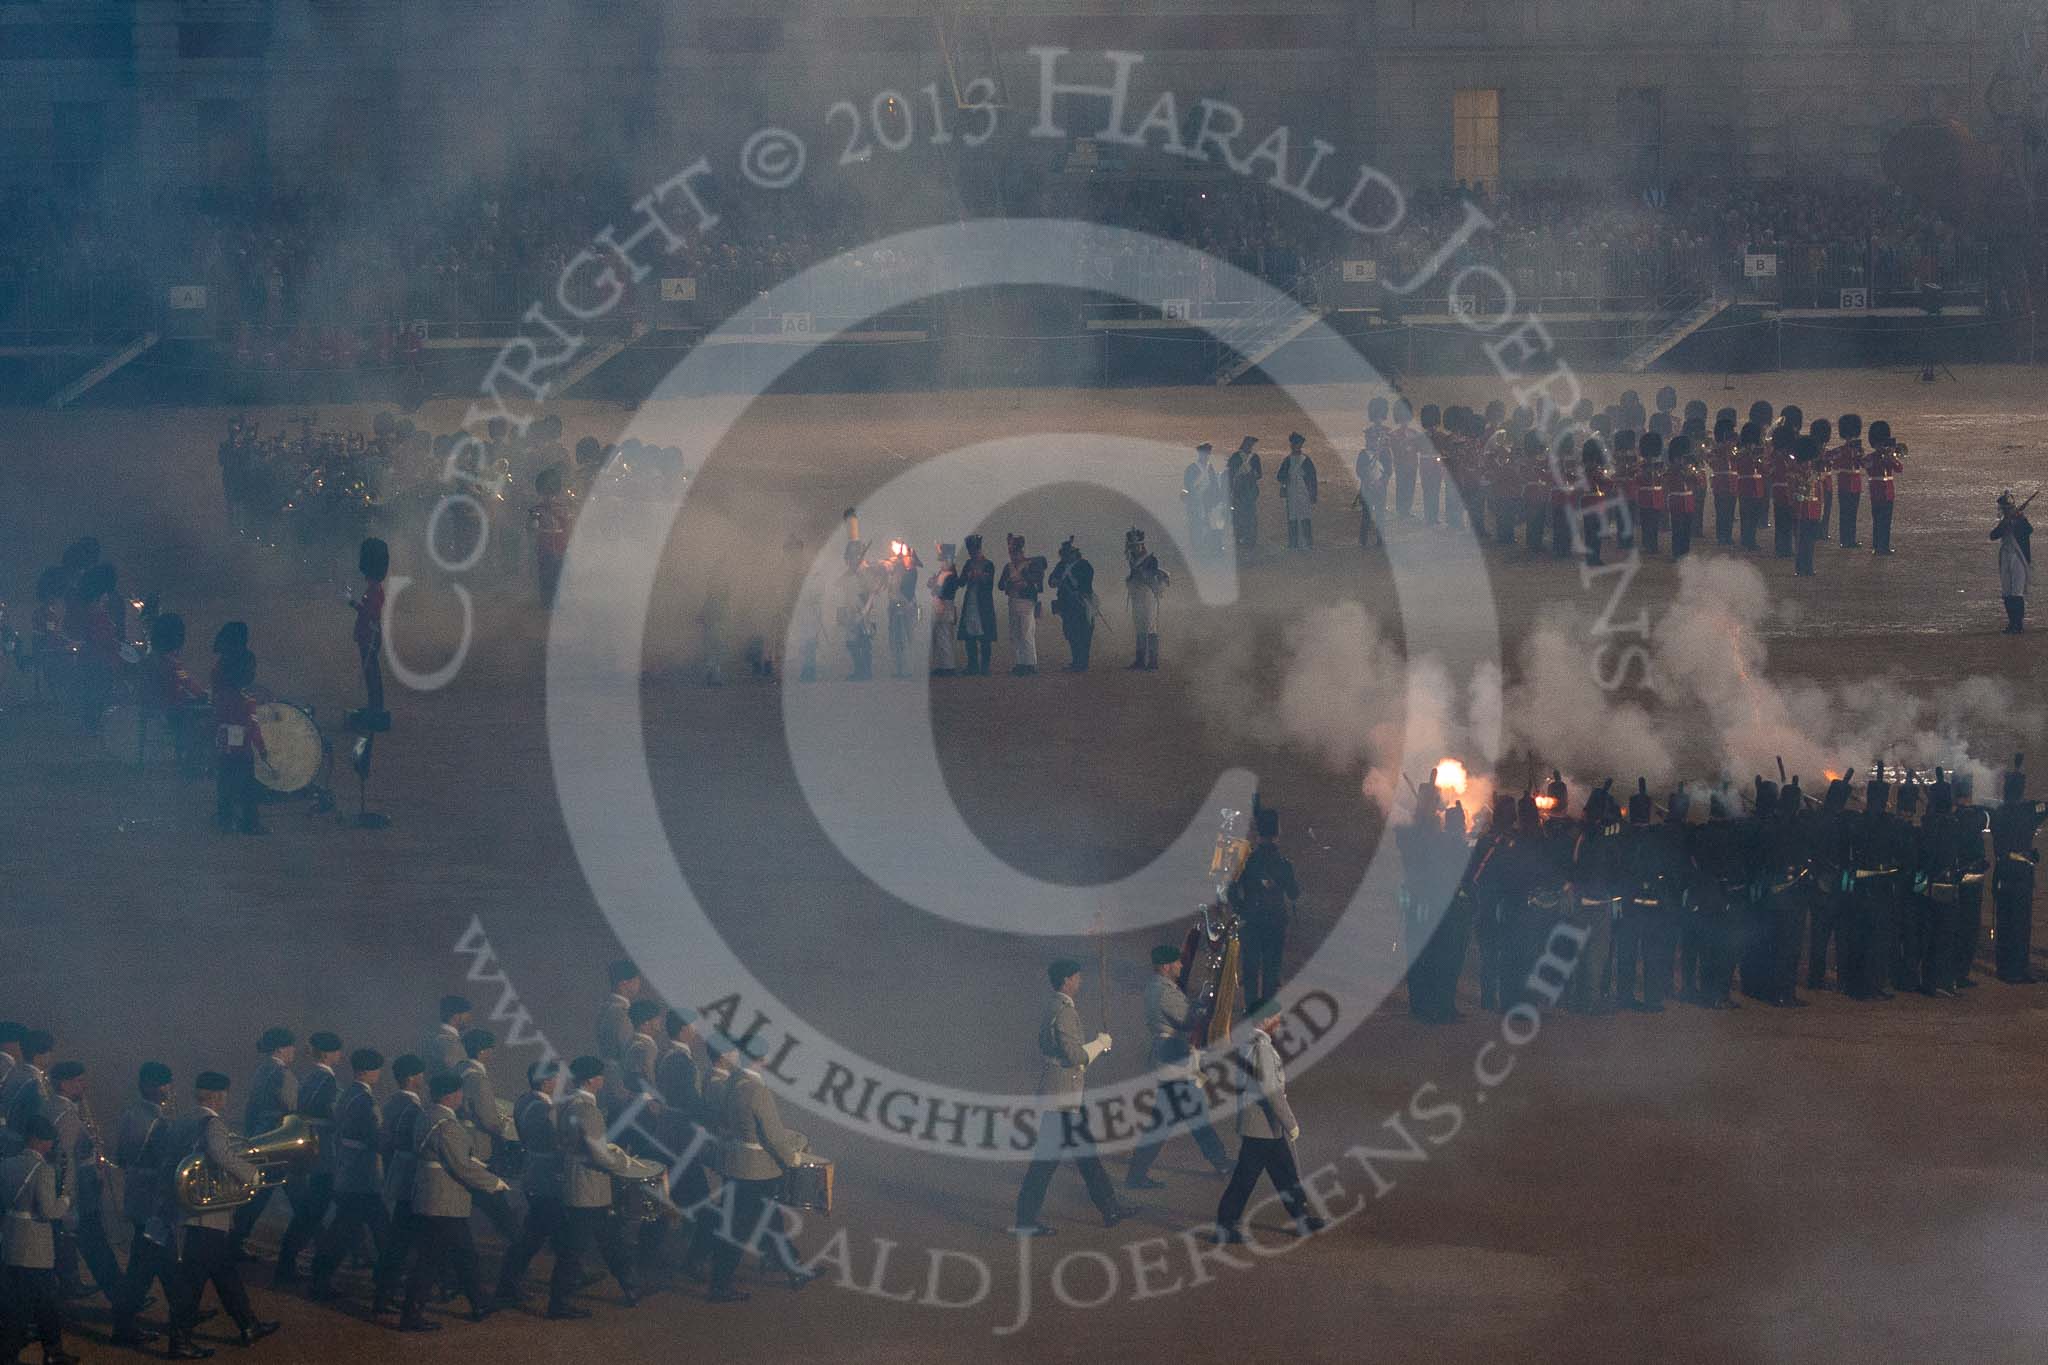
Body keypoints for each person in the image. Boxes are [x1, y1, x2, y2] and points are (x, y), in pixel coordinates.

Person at [165, 1072, 280, 1357]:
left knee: (225, 1272)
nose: (226, 1099)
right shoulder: (212, 1123)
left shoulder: (183, 1120)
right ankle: (179, 1341)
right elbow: (219, 1153)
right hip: (208, 1216)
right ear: (217, 1096)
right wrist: (251, 1173)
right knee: (193, 1282)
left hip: (191, 1209)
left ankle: (248, 1324)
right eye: (225, 1094)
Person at [1012, 959, 1128, 1237]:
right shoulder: (1064, 1012)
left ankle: (1110, 1208)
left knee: (1086, 1157)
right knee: (1045, 1165)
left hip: (1063, 1092)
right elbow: (1075, 1056)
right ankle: (1026, 1221)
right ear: (1066, 981)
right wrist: (1100, 1044)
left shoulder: (1054, 1007)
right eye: (1076, 978)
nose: (1079, 982)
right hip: (1063, 1095)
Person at [707, 1036, 819, 1303]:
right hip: (757, 1171)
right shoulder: (758, 1091)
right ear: (761, 1060)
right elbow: (773, 1136)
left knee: (771, 1224)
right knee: (738, 1231)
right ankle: (719, 1285)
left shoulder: (732, 1081)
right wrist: (792, 1159)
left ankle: (794, 1272)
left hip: (736, 1163)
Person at [396, 1073, 509, 1332]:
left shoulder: (427, 1115)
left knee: (462, 1254)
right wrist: (494, 1182)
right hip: (442, 1200)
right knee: (432, 1260)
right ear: (452, 1094)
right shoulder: (448, 1124)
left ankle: (479, 1302)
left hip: (432, 1196)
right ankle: (411, 1315)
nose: (461, 1097)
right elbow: (462, 1167)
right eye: (459, 1093)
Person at [1211, 1000, 1325, 1244]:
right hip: (1261, 1126)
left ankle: (1301, 1217)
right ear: (1264, 1020)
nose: (1279, 1021)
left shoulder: (1251, 1043)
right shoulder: (1261, 1047)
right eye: (1276, 1017)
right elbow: (1271, 1091)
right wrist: (1290, 1122)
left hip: (1264, 1125)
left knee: (1285, 1173)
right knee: (1246, 1178)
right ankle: (1225, 1225)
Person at [549, 1057, 654, 1318]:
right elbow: (600, 1155)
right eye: (600, 1077)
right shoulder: (588, 1110)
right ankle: (559, 1304)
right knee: (576, 1250)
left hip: (579, 1183)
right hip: (590, 1187)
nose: (603, 1080)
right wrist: (624, 1164)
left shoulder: (568, 1105)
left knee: (608, 1241)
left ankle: (631, 1287)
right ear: (592, 1080)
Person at [1122, 945, 1232, 1191]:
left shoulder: (1158, 988)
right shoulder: (1165, 992)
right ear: (1165, 966)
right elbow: (1188, 1019)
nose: (1181, 966)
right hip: (1172, 1056)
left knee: (1181, 1119)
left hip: (1169, 1055)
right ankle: (1220, 1161)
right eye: (1177, 963)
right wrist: (1206, 1004)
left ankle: (1219, 1160)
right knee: (1183, 1119)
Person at [306, 1049, 388, 1303]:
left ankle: (322, 1278)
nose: (379, 1074)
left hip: (348, 1172)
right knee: (377, 1231)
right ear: (368, 1071)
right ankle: (386, 1283)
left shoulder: (346, 1095)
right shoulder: (364, 1100)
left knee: (346, 1230)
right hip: (362, 1176)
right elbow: (373, 1137)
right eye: (377, 1069)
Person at [110, 1062, 176, 1349]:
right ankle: (124, 1327)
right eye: (165, 1085)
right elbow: (166, 1161)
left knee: (157, 1262)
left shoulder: (130, 1113)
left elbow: (121, 1157)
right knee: (142, 1269)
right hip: (153, 1201)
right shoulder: (156, 1120)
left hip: (136, 1196)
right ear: (152, 1086)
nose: (169, 1090)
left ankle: (184, 1309)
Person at [273, 1031, 344, 1285]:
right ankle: (298, 1268)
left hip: (306, 1151)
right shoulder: (328, 1082)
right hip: (323, 1153)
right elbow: (337, 1116)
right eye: (337, 1051)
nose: (340, 1056)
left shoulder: (308, 1078)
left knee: (309, 1213)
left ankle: (290, 1264)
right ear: (328, 1054)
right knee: (312, 1214)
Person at [2, 1116, 73, 1365]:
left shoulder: (7, 1164)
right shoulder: (43, 1170)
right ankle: (52, 1353)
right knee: (45, 1303)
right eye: (48, 1141)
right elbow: (49, 1211)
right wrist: (65, 1198)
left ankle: (12, 1353)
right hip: (35, 1248)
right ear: (40, 1141)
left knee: (16, 1304)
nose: (50, 1146)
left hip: (11, 1241)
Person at [494, 1062, 564, 1306]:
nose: (557, 1083)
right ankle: (509, 1283)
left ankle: (510, 1282)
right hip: (545, 1177)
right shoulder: (542, 1109)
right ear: (546, 1082)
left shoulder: (524, 1101)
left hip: (534, 1172)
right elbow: (554, 1142)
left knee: (541, 1229)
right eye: (555, 1079)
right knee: (534, 1235)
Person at [227, 1027, 297, 1258]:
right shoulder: (283, 1074)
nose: (293, 1051)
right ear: (280, 1048)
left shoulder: (261, 1071)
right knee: (300, 1200)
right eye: (290, 1046)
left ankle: (234, 1241)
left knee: (259, 1194)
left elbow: (251, 1107)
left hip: (260, 1136)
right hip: (279, 1141)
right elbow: (292, 1108)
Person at [369, 1056, 427, 1317]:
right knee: (405, 1242)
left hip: (395, 1173)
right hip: (410, 1180)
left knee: (397, 1239)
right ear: (413, 1077)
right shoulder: (413, 1108)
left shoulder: (391, 1103)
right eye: (420, 1076)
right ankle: (390, 1291)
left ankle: (384, 1290)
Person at [1231, 806, 1300, 1004]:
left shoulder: (1247, 861)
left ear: (1257, 831)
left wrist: (1241, 909)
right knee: (1271, 970)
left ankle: (1250, 1008)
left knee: (1250, 970)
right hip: (1275, 924)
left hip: (1251, 922)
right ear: (1277, 832)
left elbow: (1231, 890)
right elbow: (1294, 893)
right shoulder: (1284, 864)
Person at [1991, 756, 2046, 983]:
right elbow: (2043, 808)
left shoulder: (1998, 813)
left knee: (2004, 923)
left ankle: (2004, 969)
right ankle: (2018, 970)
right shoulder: (2029, 810)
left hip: (2003, 873)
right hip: (2021, 874)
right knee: (2020, 926)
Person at [211, 649, 267, 836]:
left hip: (223, 750)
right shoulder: (247, 702)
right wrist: (262, 748)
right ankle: (250, 823)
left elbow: (216, 721)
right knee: (248, 789)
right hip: (242, 753)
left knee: (224, 784)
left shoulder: (221, 698)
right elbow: (253, 729)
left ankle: (224, 817)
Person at [350, 537, 389, 724]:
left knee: (372, 673)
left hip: (370, 634)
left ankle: (376, 707)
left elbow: (369, 613)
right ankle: (374, 705)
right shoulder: (374, 587)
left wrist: (351, 602)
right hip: (369, 633)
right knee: (371, 672)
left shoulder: (374, 589)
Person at [997, 533, 1046, 676]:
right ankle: (1020, 663)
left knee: (1026, 632)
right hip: (1012, 600)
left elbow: (1038, 583)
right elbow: (1001, 585)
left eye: (1015, 551)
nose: (1013, 555)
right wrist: (1009, 583)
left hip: (1026, 602)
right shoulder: (1009, 567)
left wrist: (1024, 582)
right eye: (1012, 552)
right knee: (1015, 633)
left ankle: (1030, 664)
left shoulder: (1031, 564)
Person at [1048, 536, 1096, 672]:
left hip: (1081, 603)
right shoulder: (1061, 565)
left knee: (1083, 633)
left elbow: (1086, 583)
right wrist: (1055, 581)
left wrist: (1076, 589)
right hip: (1066, 604)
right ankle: (1076, 661)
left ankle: (1083, 663)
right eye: (1063, 554)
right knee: (1070, 633)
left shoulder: (1084, 565)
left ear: (1074, 554)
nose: (1064, 556)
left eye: (1067, 553)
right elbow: (1051, 580)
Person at [1124, 528, 1169, 672]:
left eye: (1137, 545)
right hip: (1137, 595)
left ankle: (1153, 662)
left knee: (1150, 627)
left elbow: (1149, 578)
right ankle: (1140, 660)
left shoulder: (1150, 560)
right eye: (1132, 545)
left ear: (1142, 545)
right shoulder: (1132, 559)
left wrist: (1139, 575)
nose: (1134, 547)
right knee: (1139, 627)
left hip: (1148, 594)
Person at [954, 534, 998, 676]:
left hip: (983, 603)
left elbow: (989, 584)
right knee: (969, 636)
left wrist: (978, 576)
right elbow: (961, 582)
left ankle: (985, 667)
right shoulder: (968, 563)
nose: (972, 553)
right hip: (971, 602)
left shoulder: (989, 564)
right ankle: (972, 665)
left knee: (985, 637)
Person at [1991, 491, 2032, 634]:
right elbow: (1993, 535)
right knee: (2007, 591)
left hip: (2018, 558)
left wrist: (2018, 520)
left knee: (2016, 592)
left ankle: (2018, 625)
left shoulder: (2021, 520)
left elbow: (2028, 530)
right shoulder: (2005, 521)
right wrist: (2006, 523)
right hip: (2006, 557)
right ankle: (2011, 623)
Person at [531, 467, 572, 606]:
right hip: (544, 545)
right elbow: (531, 528)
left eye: (551, 493)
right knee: (545, 575)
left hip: (560, 545)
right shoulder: (536, 510)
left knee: (557, 574)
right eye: (545, 493)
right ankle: (546, 601)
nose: (548, 497)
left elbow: (567, 526)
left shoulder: (562, 508)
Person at [1867, 420, 1903, 555]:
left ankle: (1883, 546)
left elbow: (1899, 468)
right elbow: (1868, 467)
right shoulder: (1871, 457)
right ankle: (1878, 547)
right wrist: (1883, 458)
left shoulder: (1889, 457)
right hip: (1877, 493)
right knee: (1878, 521)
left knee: (1885, 522)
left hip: (1888, 493)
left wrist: (1891, 457)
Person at [1277, 432, 1318, 549]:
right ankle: (1293, 543)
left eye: (1297, 444)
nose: (1295, 446)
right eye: (1294, 444)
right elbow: (1280, 476)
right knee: (1292, 517)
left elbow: (1312, 479)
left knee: (1305, 516)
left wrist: (1313, 494)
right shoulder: (1288, 460)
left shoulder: (1305, 460)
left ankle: (1308, 542)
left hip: (1304, 491)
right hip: (1292, 491)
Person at [1831, 414, 1865, 548]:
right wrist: (1847, 454)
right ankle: (1845, 540)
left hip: (1855, 484)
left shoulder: (1858, 450)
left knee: (1853, 513)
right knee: (1845, 513)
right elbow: (1834, 464)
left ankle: (1851, 539)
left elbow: (1863, 464)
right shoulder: (1840, 450)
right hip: (1845, 483)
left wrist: (1858, 455)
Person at [927, 543, 960, 677]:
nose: (940, 562)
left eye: (942, 559)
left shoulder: (949, 574)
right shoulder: (944, 573)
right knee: (939, 637)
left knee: (944, 637)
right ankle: (942, 665)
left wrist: (935, 584)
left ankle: (948, 667)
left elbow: (940, 590)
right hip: (940, 605)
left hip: (945, 605)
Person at [422, 996, 471, 1077]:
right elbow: (456, 1074)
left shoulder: (435, 1037)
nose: (469, 1018)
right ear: (456, 1016)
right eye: (467, 1014)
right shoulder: (448, 1042)